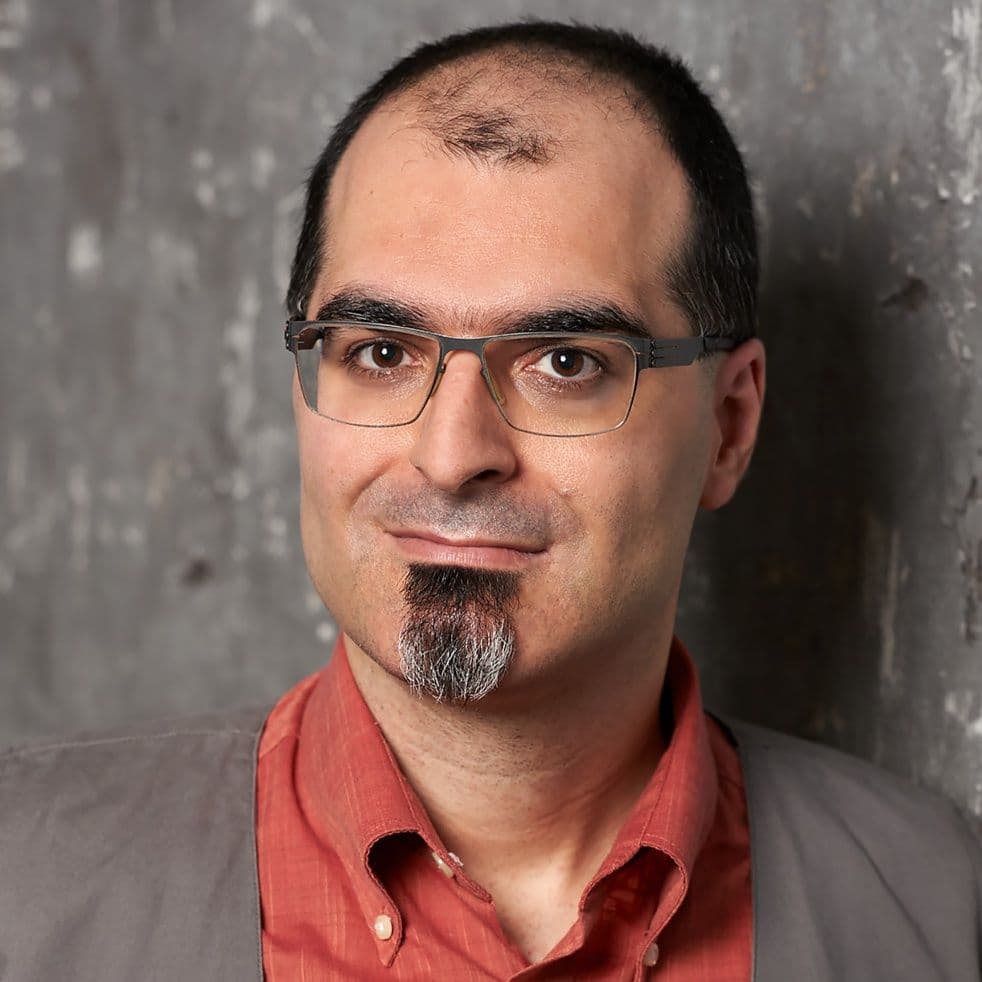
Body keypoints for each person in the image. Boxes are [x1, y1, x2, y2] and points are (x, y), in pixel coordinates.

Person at [1, 20, 979, 982]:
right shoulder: (25, 885)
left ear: (728, 425)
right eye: (380, 351)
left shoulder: (939, 910)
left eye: (566, 363)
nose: (451, 455)